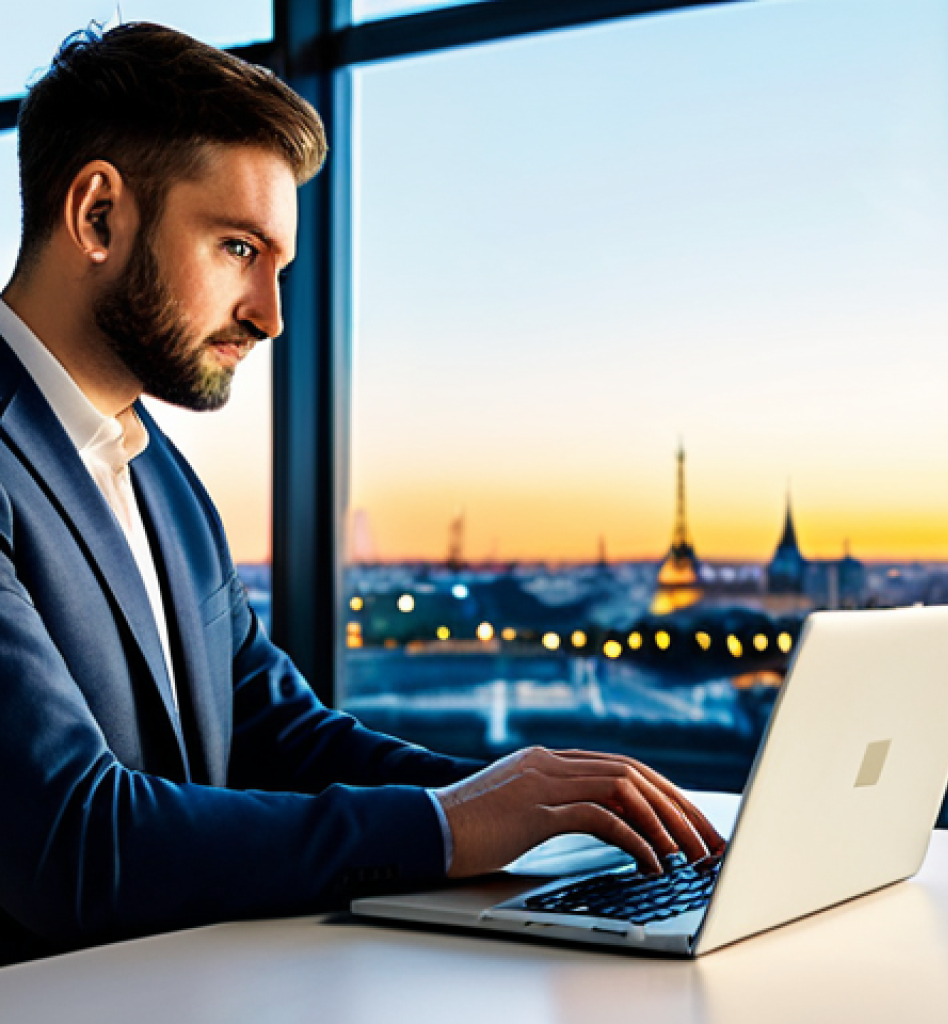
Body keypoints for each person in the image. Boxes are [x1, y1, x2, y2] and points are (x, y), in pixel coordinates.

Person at [0, 22, 722, 966]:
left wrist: (530, 801)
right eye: (236, 249)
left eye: (279, 266)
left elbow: (278, 735)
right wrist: (446, 827)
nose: (271, 315)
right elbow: (70, 841)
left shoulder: (160, 478)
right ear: (98, 216)